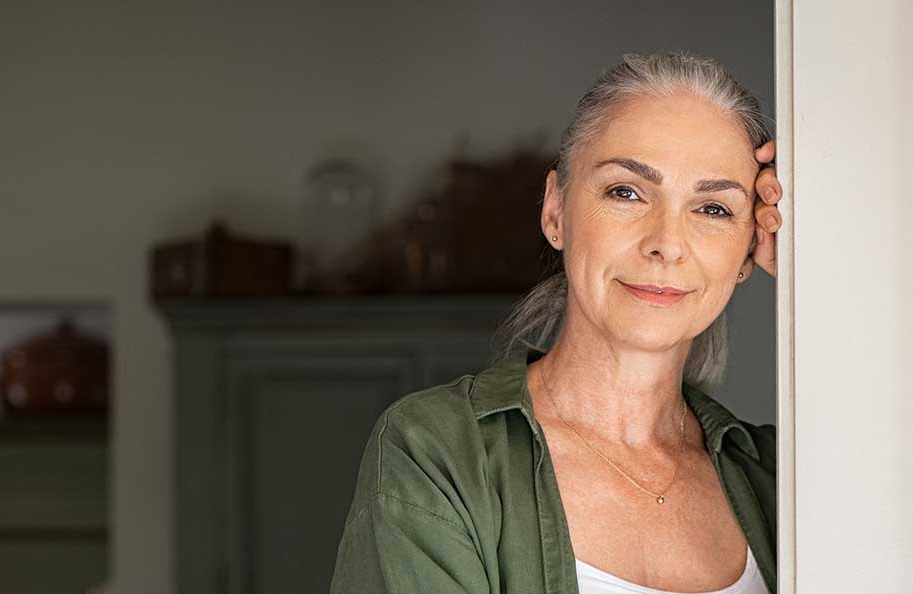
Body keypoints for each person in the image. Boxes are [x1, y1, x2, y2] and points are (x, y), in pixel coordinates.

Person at [329, 52, 786, 594]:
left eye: (713, 209)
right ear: (555, 210)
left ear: (749, 248)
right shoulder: (438, 455)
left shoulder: (780, 476)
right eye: (627, 192)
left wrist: (835, 287)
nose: (667, 242)